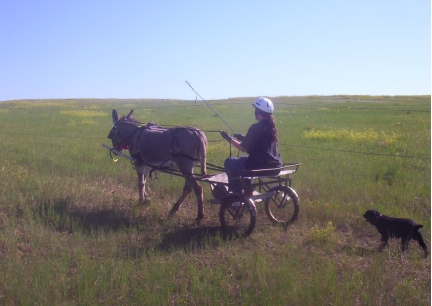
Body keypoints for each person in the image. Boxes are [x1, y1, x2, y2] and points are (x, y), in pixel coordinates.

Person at [220, 97, 283, 195]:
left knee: (229, 162)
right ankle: (248, 188)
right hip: (275, 166)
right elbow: (260, 142)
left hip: (260, 166)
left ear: (258, 112)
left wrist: (229, 139)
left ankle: (235, 194)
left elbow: (243, 148)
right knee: (244, 159)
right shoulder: (272, 128)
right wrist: (243, 138)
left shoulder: (256, 127)